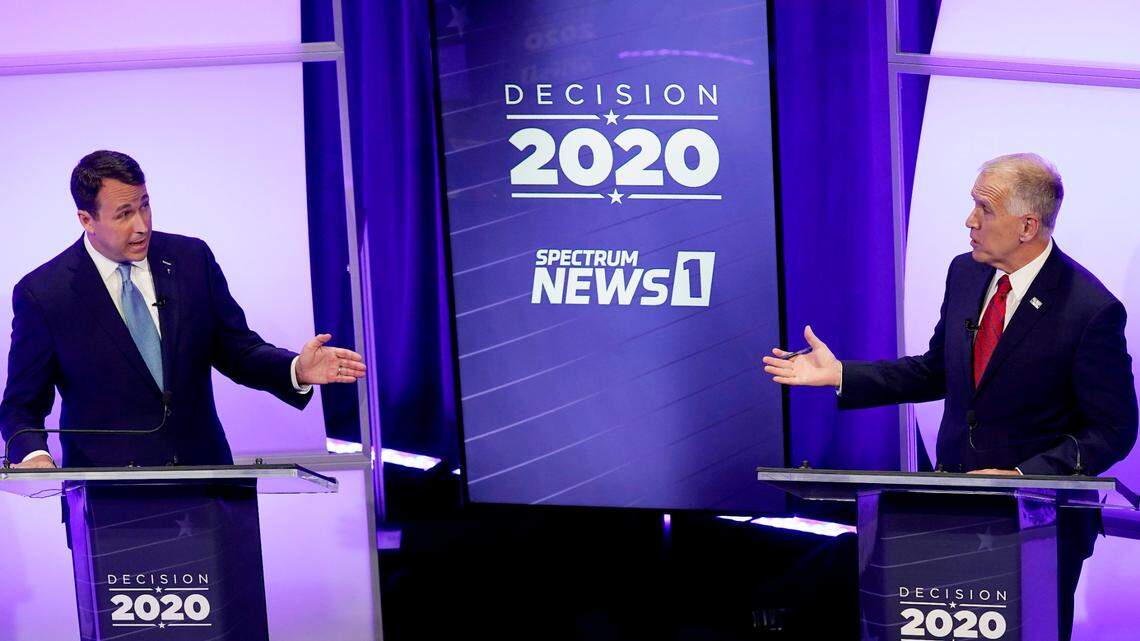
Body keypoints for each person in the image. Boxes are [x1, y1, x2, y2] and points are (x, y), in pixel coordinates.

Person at [763, 153, 1137, 640]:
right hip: (948, 516)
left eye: (985, 208)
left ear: (1027, 226)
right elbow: (936, 371)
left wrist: (1024, 476)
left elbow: (1113, 429)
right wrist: (843, 375)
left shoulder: (1089, 309)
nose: (970, 221)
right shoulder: (966, 273)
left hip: (1038, 528)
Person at [0, 150, 366, 469]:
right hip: (109, 502)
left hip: (207, 488)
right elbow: (21, 406)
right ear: (86, 219)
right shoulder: (45, 294)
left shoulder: (191, 259)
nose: (141, 225)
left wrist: (295, 369)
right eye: (124, 214)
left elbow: (238, 351)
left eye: (144, 205)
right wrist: (34, 455)